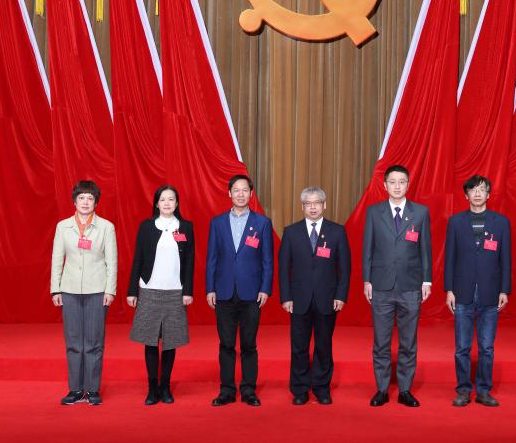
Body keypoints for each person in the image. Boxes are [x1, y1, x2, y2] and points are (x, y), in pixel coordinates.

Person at [362, 164, 432, 407]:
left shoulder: (420, 213)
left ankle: (405, 390)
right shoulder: (374, 212)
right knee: (381, 341)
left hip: (410, 286)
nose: (397, 186)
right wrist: (367, 280)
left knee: (408, 342)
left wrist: (426, 280)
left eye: (402, 182)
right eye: (392, 182)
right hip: (380, 285)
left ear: (408, 184)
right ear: (385, 185)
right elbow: (367, 248)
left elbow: (425, 249)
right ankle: (381, 389)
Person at [278, 187, 351, 405]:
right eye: (308, 203)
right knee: (298, 347)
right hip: (298, 299)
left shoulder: (337, 231)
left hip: (327, 298)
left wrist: (341, 295)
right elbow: (283, 268)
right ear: (302, 206)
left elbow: (345, 268)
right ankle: (300, 389)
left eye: (317, 202)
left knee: (323, 345)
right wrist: (286, 297)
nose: (312, 207)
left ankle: (321, 388)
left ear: (324, 205)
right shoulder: (291, 232)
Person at [206, 174, 274, 406]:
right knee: (226, 344)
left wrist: (265, 288)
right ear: (229, 193)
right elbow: (211, 258)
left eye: (245, 190)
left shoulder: (262, 223)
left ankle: (248, 390)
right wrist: (210, 288)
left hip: (252, 293)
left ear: (251, 194)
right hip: (223, 292)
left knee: (248, 344)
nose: (241, 194)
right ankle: (226, 390)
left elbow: (267, 260)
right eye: (236, 190)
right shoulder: (217, 223)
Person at [444, 175, 511, 407]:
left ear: (488, 194)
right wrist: (449, 289)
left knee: (486, 348)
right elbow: (449, 258)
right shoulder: (455, 222)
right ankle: (463, 390)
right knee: (462, 347)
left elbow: (506, 259)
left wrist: (504, 290)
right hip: (462, 292)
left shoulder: (501, 222)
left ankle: (483, 391)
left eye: (482, 189)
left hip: (490, 292)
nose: (478, 193)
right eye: (473, 190)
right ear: (466, 195)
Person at [50, 180, 117, 406]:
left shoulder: (106, 227)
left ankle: (93, 389)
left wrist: (110, 290)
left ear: (96, 202)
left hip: (97, 290)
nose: (86, 202)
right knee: (73, 342)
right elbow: (57, 259)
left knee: (94, 342)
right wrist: (55, 288)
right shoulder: (63, 227)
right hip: (69, 290)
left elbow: (112, 262)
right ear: (74, 201)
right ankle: (76, 389)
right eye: (81, 198)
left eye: (90, 198)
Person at [126, 185, 195, 405]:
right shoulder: (147, 227)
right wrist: (132, 291)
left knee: (170, 342)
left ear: (177, 203)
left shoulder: (185, 227)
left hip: (175, 292)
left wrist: (188, 291)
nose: (167, 203)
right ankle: (152, 387)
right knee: (150, 340)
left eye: (171, 199)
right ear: (156, 203)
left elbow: (190, 261)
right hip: (149, 290)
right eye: (163, 199)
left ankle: (165, 386)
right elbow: (138, 258)